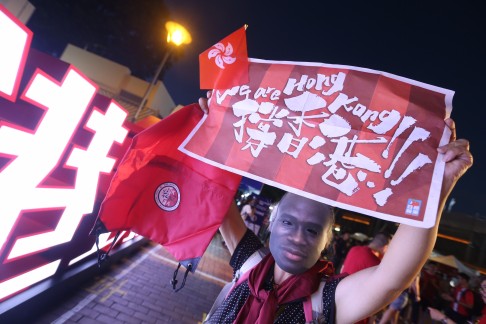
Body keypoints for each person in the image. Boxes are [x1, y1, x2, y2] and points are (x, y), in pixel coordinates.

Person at [198, 95, 473, 323]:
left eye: (312, 230)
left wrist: (436, 188)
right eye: (288, 223)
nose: (297, 237)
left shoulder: (327, 299)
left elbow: (391, 278)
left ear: (326, 242)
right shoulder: (250, 263)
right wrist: (211, 127)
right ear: (272, 222)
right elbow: (215, 191)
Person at [340, 232, 390, 323]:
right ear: (385, 247)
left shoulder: (354, 249)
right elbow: (376, 297)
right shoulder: (377, 264)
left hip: (339, 301)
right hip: (357, 313)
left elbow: (342, 270)